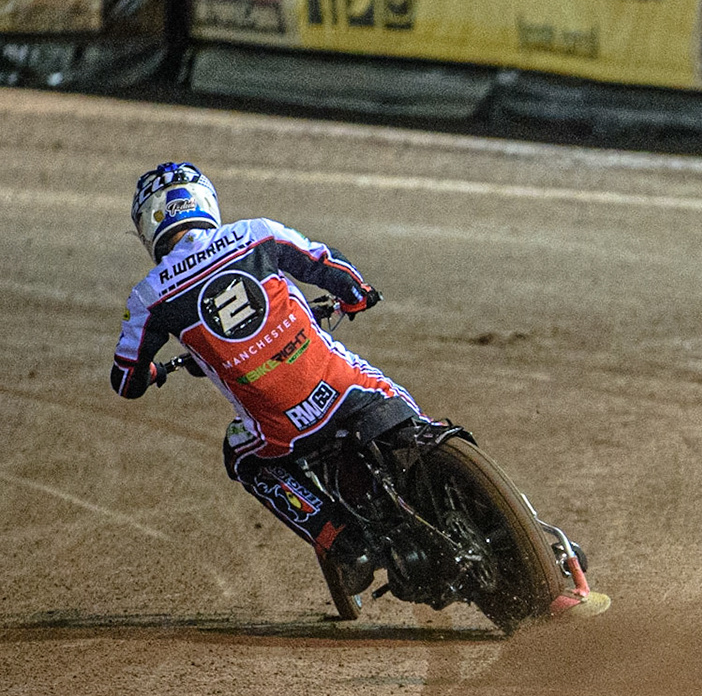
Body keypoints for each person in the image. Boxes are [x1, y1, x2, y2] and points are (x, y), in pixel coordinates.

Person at [110, 162, 608, 619]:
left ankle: (340, 537)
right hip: (350, 389)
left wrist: (154, 374)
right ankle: (543, 538)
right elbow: (333, 268)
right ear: (205, 203)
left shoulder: (149, 295)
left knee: (242, 456)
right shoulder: (255, 234)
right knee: (417, 424)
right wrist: (357, 296)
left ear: (149, 226)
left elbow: (125, 381)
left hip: (284, 428)